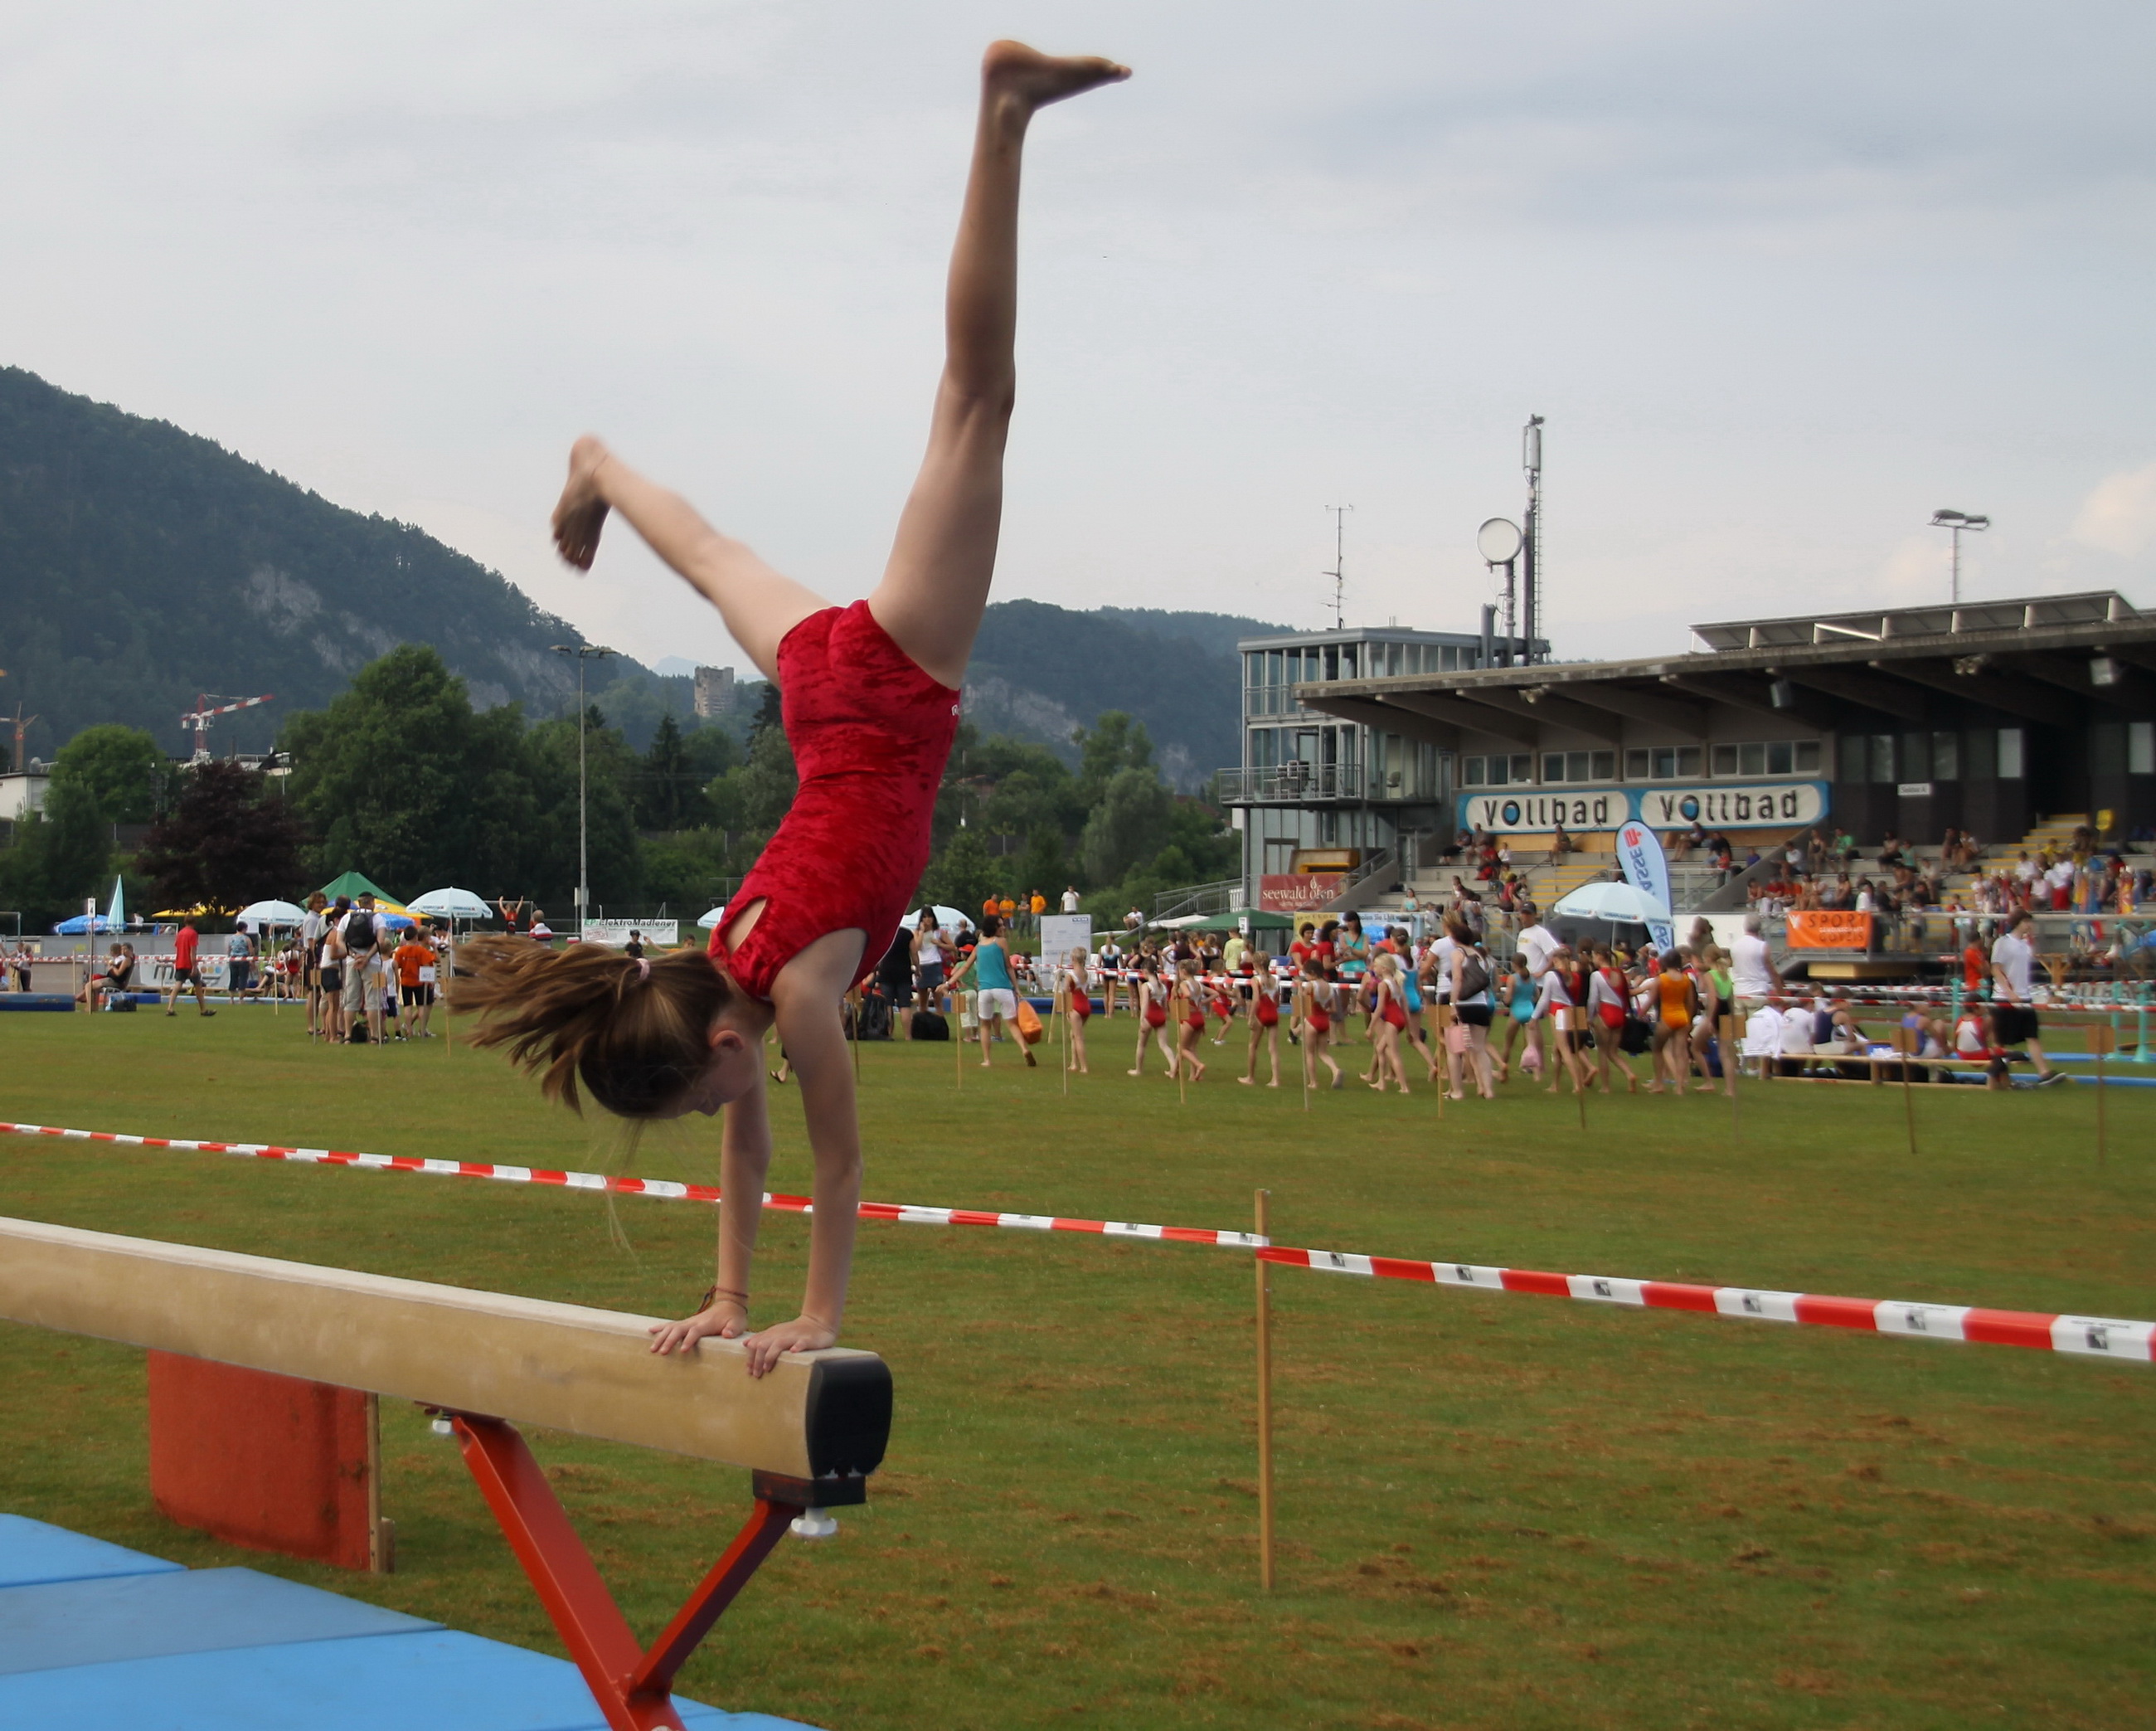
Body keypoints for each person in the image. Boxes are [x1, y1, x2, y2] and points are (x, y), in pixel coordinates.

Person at [453, 42, 1129, 1378]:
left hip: (887, 689)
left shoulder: (798, 997)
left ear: (720, 1043)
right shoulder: (723, 961)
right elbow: (753, 1146)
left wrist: (813, 1312)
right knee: (710, 557)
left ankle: (1002, 115)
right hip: (820, 700)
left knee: (975, 400)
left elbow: (836, 1158)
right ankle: (600, 465)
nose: (725, 1111)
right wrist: (726, 1296)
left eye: (708, 1094)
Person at [948, 913, 1034, 1068]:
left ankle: (987, 1060)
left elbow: (965, 967)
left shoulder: (978, 947)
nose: (1003, 927)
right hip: (1003, 988)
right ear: (994, 927)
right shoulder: (1001, 942)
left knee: (985, 1026)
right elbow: (1009, 967)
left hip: (985, 990)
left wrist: (949, 983)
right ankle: (1024, 1049)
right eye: (1000, 925)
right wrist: (1016, 987)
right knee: (1012, 1024)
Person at [1989, 908, 2060, 1083]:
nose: (2029, 925)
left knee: (2032, 1035)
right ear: (2018, 923)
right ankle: (1996, 1076)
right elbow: (1996, 969)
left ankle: (2044, 1073)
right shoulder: (2003, 943)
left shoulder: (2026, 945)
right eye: (2026, 922)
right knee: (2000, 1039)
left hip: (2024, 996)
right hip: (2004, 997)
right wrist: (2009, 992)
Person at [341, 893, 385, 1045]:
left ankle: (347, 1035)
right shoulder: (377, 918)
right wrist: (367, 957)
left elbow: (340, 941)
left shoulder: (347, 918)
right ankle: (374, 1036)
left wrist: (353, 955)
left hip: (352, 962)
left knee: (351, 999)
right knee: (373, 999)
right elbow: (380, 941)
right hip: (372, 962)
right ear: (372, 902)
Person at [1240, 960, 1284, 1087]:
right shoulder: (1276, 978)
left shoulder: (1256, 979)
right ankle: (1276, 1079)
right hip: (1273, 1013)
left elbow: (1256, 1000)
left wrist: (1251, 1016)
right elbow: (1277, 1000)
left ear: (1256, 965)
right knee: (1273, 1049)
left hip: (1261, 1013)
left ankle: (1250, 1077)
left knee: (1253, 1046)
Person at [1728, 912, 1780, 1016]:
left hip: (1739, 991)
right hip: (1757, 991)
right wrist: (1780, 991)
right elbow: (1771, 971)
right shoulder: (1762, 946)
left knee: (1739, 1025)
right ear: (1759, 928)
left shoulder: (1734, 946)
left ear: (1745, 927)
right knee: (1756, 1023)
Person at [163, 919, 214, 1018]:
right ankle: (203, 1010)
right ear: (194, 923)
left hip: (180, 962)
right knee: (198, 985)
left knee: (177, 985)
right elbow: (192, 951)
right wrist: (194, 966)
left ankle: (170, 1008)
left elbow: (177, 948)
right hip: (189, 964)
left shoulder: (180, 933)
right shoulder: (193, 933)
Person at [394, 926, 437, 1038]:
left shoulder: (400, 951)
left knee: (407, 1006)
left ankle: (409, 1030)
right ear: (416, 937)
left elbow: (397, 965)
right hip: (419, 982)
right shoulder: (421, 951)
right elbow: (426, 965)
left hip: (405, 981)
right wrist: (429, 980)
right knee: (421, 1006)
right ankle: (422, 1030)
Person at [1060, 946, 1092, 1074]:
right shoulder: (1086, 973)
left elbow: (1065, 991)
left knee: (1078, 1037)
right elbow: (1087, 990)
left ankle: (1084, 1067)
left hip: (1076, 1007)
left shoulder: (1071, 975)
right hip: (1085, 1005)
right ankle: (1074, 1063)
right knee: (1073, 1034)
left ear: (1073, 958)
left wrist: (1065, 1009)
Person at [226, 926, 255, 998]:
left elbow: (229, 949)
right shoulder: (246, 938)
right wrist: (251, 960)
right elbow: (251, 950)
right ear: (244, 929)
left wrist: (229, 958)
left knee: (233, 979)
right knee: (243, 978)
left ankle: (231, 998)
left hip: (233, 959)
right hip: (243, 960)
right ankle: (241, 998)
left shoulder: (231, 938)